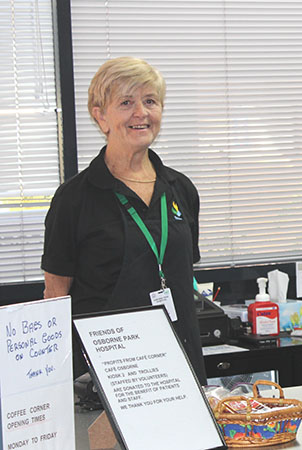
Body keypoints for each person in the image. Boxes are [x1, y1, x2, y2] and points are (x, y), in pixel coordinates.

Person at [41, 57, 207, 384]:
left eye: (150, 101)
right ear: (100, 115)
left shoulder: (181, 189)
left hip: (179, 367)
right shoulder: (74, 199)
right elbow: (56, 297)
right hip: (109, 374)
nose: (140, 113)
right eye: (126, 102)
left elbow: (182, 274)